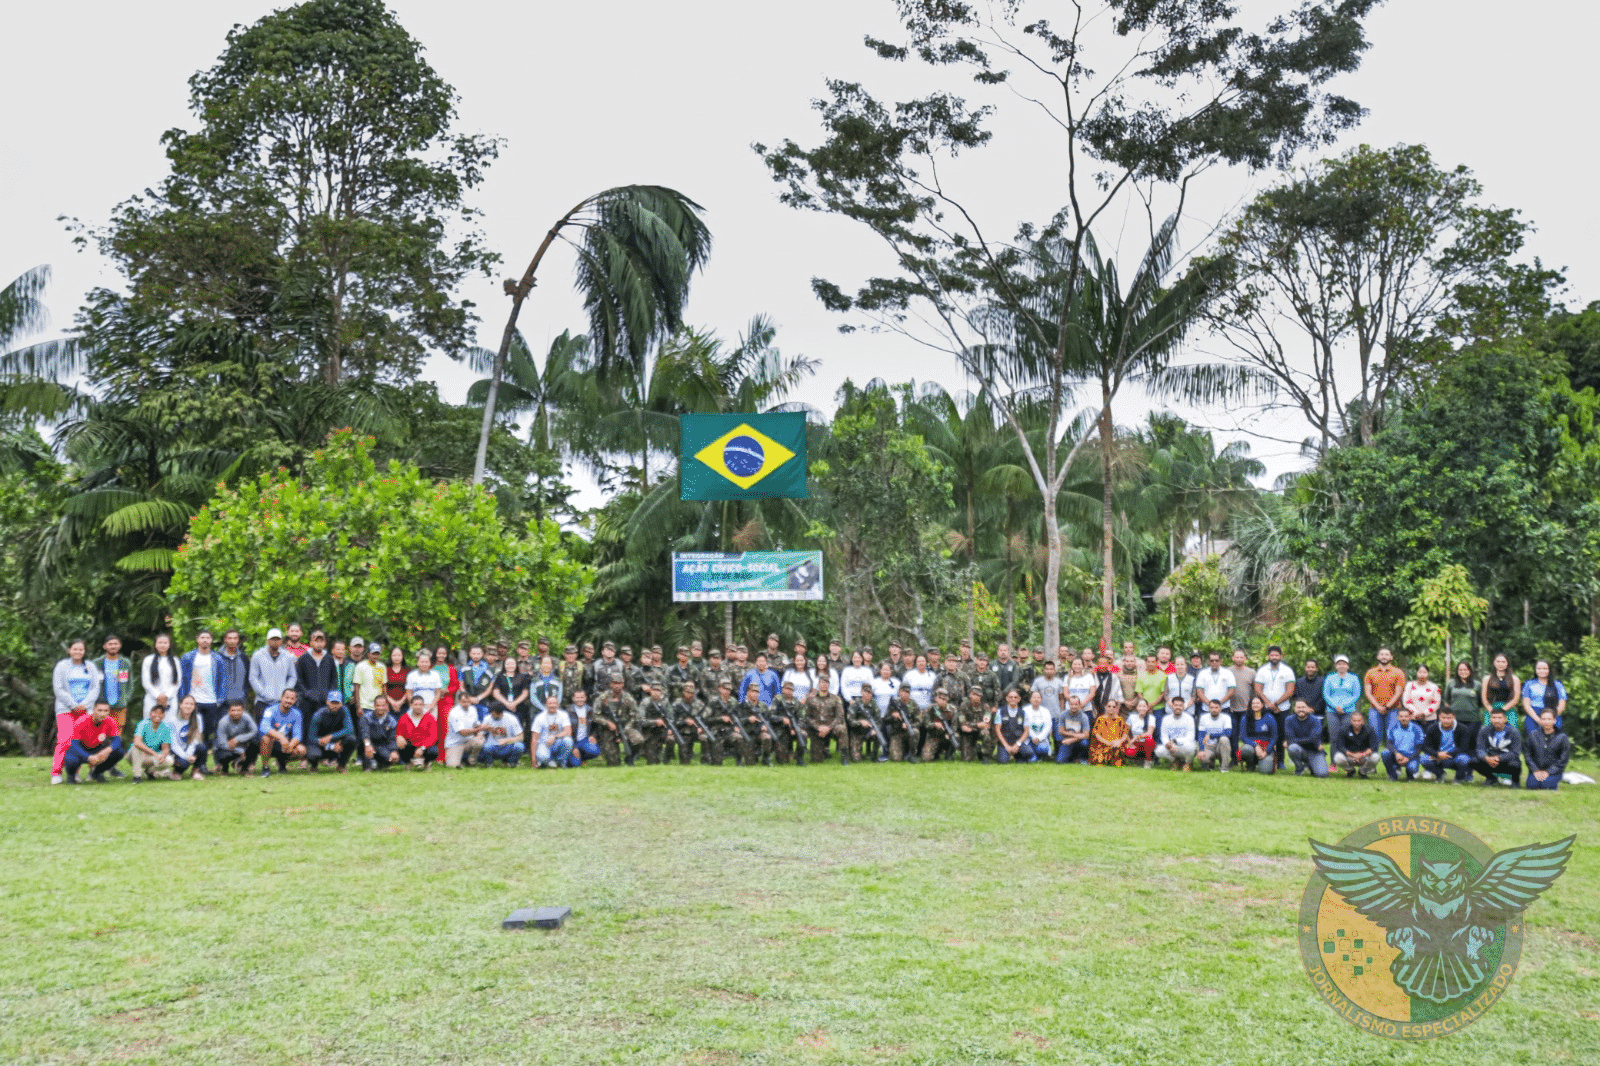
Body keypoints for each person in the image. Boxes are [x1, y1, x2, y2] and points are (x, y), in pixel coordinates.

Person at [51, 639, 103, 785]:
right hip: (66, 708)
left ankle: (74, 772)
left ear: (84, 651)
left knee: (80, 741)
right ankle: (56, 772)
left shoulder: (90, 666)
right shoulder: (62, 666)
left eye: (81, 649)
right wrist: (73, 704)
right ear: (69, 650)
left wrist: (85, 704)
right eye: (75, 649)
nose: (78, 652)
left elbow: (95, 688)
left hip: (85, 709)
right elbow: (58, 688)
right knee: (65, 740)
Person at [178, 631, 226, 750]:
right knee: (193, 729)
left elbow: (223, 680)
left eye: (208, 638)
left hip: (211, 700)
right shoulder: (188, 657)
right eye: (202, 637)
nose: (205, 640)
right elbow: (182, 678)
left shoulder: (218, 658)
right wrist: (182, 698)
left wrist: (220, 699)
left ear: (211, 640)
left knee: (208, 730)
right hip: (193, 699)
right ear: (197, 639)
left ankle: (202, 757)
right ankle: (194, 757)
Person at [62, 700, 125, 784]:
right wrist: (88, 757)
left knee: (119, 752)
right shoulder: (82, 721)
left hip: (97, 748)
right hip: (80, 748)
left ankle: (97, 773)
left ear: (109, 711)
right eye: (100, 710)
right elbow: (74, 744)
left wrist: (108, 750)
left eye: (106, 711)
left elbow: (117, 740)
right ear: (94, 709)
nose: (102, 714)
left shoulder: (110, 721)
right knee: (71, 757)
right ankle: (71, 777)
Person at [249, 627, 298, 719]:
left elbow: (293, 676)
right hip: (262, 701)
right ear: (268, 640)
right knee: (263, 731)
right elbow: (253, 677)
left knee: (282, 729)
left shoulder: (288, 656)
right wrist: (263, 693)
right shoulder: (258, 656)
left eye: (277, 639)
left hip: (283, 702)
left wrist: (286, 693)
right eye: (272, 639)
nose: (275, 641)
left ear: (281, 641)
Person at [257, 687, 306, 775]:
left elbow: (298, 735)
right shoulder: (270, 710)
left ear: (295, 701)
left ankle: (282, 763)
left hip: (284, 744)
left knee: (301, 750)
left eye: (292, 699)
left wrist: (290, 745)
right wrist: (281, 738)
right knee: (266, 738)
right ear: (281, 698)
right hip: (270, 743)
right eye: (287, 698)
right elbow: (264, 727)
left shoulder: (297, 714)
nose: (289, 701)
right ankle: (265, 767)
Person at [1421, 708, 1476, 785]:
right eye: (1443, 718)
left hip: (1455, 756)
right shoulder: (1432, 728)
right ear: (1439, 717)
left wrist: (1448, 754)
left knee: (1464, 759)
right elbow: (1425, 746)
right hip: (1438, 757)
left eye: (1449, 718)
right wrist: (1437, 754)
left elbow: (1464, 747)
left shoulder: (1463, 728)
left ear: (1454, 717)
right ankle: (1440, 775)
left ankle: (1459, 778)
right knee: (1424, 759)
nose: (1446, 720)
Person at [306, 690, 355, 772]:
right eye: (332, 702)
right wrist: (331, 746)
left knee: (351, 739)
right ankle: (314, 766)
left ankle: (341, 766)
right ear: (327, 701)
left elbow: (350, 729)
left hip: (337, 743)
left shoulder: (344, 710)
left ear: (341, 703)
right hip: (321, 743)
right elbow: (311, 738)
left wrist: (331, 737)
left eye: (337, 703)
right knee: (313, 755)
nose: (334, 705)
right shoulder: (318, 715)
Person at [1472, 708, 1522, 787]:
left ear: (1505, 719)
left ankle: (1515, 781)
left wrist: (1499, 758)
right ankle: (1491, 778)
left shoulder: (1514, 732)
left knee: (1515, 764)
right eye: (1494, 717)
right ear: (1490, 719)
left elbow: (1515, 753)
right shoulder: (1484, 730)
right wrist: (1486, 758)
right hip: (1489, 759)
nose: (1496, 720)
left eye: (1499, 718)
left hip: (1506, 760)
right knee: (1474, 761)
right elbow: (1480, 748)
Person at [803, 676, 847, 764]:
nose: (824, 685)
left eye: (826, 683)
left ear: (829, 685)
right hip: (816, 729)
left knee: (842, 729)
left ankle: (845, 756)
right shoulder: (811, 699)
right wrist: (818, 727)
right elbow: (806, 717)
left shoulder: (836, 698)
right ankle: (823, 751)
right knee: (817, 760)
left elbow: (840, 716)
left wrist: (828, 728)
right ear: (818, 684)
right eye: (822, 683)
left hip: (832, 727)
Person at [96, 634, 134, 736]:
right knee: (100, 732)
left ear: (120, 645)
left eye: (115, 644)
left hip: (119, 705)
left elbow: (128, 684)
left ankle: (114, 752)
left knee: (117, 733)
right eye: (110, 644)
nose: (113, 646)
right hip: (102, 704)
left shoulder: (124, 663)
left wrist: (126, 698)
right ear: (105, 646)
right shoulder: (98, 663)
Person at [129, 703, 178, 781]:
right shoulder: (143, 724)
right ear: (150, 713)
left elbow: (165, 747)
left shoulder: (166, 727)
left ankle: (149, 772)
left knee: (169, 761)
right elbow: (137, 742)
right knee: (136, 747)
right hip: (135, 755)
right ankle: (137, 776)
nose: (158, 715)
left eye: (161, 713)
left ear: (164, 715)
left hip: (150, 757)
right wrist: (155, 754)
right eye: (155, 712)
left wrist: (163, 755)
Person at [1524, 710, 1570, 791]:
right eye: (1544, 719)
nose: (1546, 722)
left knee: (1546, 785)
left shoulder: (1562, 737)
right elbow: (1527, 755)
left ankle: (1555, 781)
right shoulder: (1532, 735)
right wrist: (1535, 770)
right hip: (1536, 770)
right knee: (1532, 785)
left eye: (1549, 719)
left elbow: (1563, 759)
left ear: (1554, 720)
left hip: (1554, 771)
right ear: (1540, 720)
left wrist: (1548, 772)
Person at [1521, 660, 1567, 737]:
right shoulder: (1528, 684)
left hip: (1553, 715)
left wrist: (1550, 720)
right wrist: (1539, 720)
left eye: (1545, 668)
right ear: (1535, 670)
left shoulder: (1558, 685)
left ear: (1549, 670)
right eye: (1539, 668)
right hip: (1534, 715)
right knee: (1534, 741)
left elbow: (1562, 704)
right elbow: (1526, 705)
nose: (1542, 671)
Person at [1284, 698, 1328, 777]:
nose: (1301, 709)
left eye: (1303, 707)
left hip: (1314, 751)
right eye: (1298, 707)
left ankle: (1309, 765)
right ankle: (1299, 768)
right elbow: (1290, 739)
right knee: (1292, 748)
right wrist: (1292, 741)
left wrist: (1292, 741)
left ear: (1308, 708)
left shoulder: (1315, 720)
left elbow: (1313, 740)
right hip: (1299, 750)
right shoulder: (1289, 720)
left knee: (1322, 774)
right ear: (1294, 708)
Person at [212, 702, 259, 775]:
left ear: (242, 711)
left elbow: (254, 731)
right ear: (229, 711)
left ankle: (244, 768)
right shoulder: (223, 722)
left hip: (241, 743)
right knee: (222, 754)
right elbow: (221, 743)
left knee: (255, 742)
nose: (235, 713)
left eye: (238, 710)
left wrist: (237, 739)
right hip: (226, 747)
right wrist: (240, 751)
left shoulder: (246, 717)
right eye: (233, 710)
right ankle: (224, 768)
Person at [141, 634, 181, 721]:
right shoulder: (148, 660)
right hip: (152, 699)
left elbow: (177, 682)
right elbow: (146, 681)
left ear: (169, 644)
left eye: (165, 643)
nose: (162, 645)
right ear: (155, 644)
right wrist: (158, 696)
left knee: (169, 725)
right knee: (150, 725)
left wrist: (166, 696)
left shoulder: (175, 660)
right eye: (160, 643)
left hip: (170, 700)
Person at [444, 689, 487, 768]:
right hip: (455, 744)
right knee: (452, 766)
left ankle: (471, 762)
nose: (466, 704)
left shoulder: (473, 709)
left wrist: (480, 733)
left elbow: (476, 724)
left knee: (480, 740)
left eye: (468, 701)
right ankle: (459, 760)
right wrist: (477, 730)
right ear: (459, 701)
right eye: (464, 702)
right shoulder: (454, 713)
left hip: (468, 742)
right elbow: (462, 732)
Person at [1382, 706, 1426, 782]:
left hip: (1411, 756)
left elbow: (1420, 746)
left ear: (1410, 717)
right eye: (1401, 716)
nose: (1403, 718)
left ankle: (1410, 775)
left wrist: (1408, 758)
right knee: (1385, 753)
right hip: (1397, 755)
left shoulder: (1417, 728)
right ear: (1398, 717)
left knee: (1412, 768)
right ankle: (1393, 775)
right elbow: (1389, 743)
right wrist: (1396, 753)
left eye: (1406, 716)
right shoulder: (1393, 726)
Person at [1321, 655, 1361, 740]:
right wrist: (1335, 706)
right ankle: (1335, 753)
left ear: (1348, 666)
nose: (1341, 666)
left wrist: (1343, 706)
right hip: (1332, 710)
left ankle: (1348, 753)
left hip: (1348, 710)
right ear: (1336, 666)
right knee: (1334, 736)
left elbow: (1356, 695)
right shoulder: (1329, 678)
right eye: (1339, 664)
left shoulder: (1354, 678)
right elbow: (1326, 694)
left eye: (1344, 664)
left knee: (1348, 735)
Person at [395, 694, 439, 769]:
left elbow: (433, 736)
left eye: (420, 704)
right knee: (400, 744)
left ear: (423, 705)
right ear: (411, 705)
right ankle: (408, 763)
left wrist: (422, 748)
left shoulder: (430, 717)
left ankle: (426, 763)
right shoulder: (404, 717)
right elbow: (399, 733)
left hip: (425, 747)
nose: (418, 707)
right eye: (415, 704)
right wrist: (399, 738)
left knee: (434, 751)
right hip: (410, 746)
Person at [530, 694, 574, 769]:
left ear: (558, 705)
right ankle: (549, 761)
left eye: (554, 703)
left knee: (568, 741)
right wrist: (533, 760)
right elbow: (534, 739)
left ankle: (561, 761)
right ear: (546, 705)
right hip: (544, 744)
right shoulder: (539, 718)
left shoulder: (563, 715)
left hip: (557, 743)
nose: (552, 705)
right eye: (550, 703)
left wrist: (554, 737)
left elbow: (568, 731)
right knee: (543, 757)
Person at [490, 655, 530, 736]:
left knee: (518, 728)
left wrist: (514, 703)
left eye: (512, 664)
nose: (510, 666)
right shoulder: (500, 677)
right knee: (503, 729)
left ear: (516, 665)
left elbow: (525, 693)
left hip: (518, 707)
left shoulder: (522, 677)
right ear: (504, 665)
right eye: (508, 664)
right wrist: (507, 704)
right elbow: (495, 692)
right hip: (503, 707)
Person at [1332, 711, 1380, 779]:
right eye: (1354, 720)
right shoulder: (1344, 730)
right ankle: (1351, 770)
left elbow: (1373, 747)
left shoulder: (1369, 730)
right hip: (1349, 756)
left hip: (1364, 757)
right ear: (1351, 721)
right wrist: (1353, 755)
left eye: (1359, 721)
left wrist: (1362, 755)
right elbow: (1340, 746)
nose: (1357, 723)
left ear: (1363, 721)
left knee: (1376, 757)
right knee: (1337, 757)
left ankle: (1362, 772)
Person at [1236, 696, 1277, 774]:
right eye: (1253, 703)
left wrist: (1266, 752)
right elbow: (1243, 737)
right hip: (1251, 746)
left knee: (1265, 771)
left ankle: (1261, 761)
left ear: (1262, 705)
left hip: (1266, 747)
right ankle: (1250, 765)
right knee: (1246, 749)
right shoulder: (1245, 718)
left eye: (1258, 703)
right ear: (1250, 705)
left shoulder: (1269, 717)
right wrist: (1256, 746)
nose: (1255, 705)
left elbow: (1274, 737)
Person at [1480, 653, 1521, 731]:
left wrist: (1503, 710)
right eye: (1498, 661)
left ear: (1507, 663)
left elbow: (1516, 699)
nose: (1500, 664)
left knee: (1511, 732)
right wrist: (1492, 710)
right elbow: (1484, 698)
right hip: (1491, 709)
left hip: (1509, 709)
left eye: (1503, 662)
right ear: (1494, 663)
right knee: (1487, 732)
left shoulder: (1515, 679)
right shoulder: (1487, 679)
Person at [359, 694, 401, 771]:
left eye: (383, 705)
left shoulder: (392, 721)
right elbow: (364, 733)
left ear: (386, 706)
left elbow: (392, 739)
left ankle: (380, 764)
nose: (380, 708)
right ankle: (367, 766)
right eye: (378, 705)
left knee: (392, 758)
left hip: (382, 746)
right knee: (363, 744)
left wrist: (393, 751)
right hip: (368, 743)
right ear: (374, 706)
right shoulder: (366, 717)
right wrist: (368, 745)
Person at [478, 701, 526, 767]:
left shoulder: (512, 719)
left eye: (494, 714)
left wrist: (507, 740)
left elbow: (521, 737)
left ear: (500, 713)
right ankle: (489, 764)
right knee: (486, 747)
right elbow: (481, 734)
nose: (492, 715)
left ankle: (511, 763)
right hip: (493, 745)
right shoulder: (487, 718)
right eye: (491, 713)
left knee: (519, 746)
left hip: (508, 745)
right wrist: (481, 733)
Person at [1156, 696, 1197, 770]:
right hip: (1171, 746)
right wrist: (1167, 744)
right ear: (1172, 706)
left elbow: (1191, 736)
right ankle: (1175, 761)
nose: (1178, 707)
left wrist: (1175, 741)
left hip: (1183, 745)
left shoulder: (1189, 718)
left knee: (1191, 747)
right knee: (1158, 750)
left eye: (1180, 705)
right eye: (1176, 705)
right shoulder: (1166, 719)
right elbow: (1164, 735)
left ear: (1183, 706)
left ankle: (1187, 763)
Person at [169, 696, 206, 779]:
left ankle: (195, 772)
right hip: (177, 750)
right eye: (186, 703)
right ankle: (176, 772)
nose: (189, 706)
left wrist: (189, 754)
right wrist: (186, 756)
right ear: (180, 705)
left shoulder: (198, 718)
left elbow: (196, 740)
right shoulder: (172, 720)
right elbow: (173, 744)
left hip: (190, 749)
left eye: (191, 704)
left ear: (194, 706)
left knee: (202, 747)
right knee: (184, 763)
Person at [1088, 696, 1130, 766]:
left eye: (1113, 707)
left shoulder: (1120, 719)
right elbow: (1097, 735)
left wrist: (1119, 741)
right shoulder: (1100, 719)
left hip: (1115, 746)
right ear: (1105, 707)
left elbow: (1125, 733)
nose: (1111, 708)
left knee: (1117, 761)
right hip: (1103, 746)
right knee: (1100, 761)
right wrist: (1108, 743)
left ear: (1116, 708)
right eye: (1109, 706)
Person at [1194, 698, 1234, 772]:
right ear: (1209, 708)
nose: (1214, 710)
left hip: (1220, 745)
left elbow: (1228, 733)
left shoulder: (1226, 717)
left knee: (1224, 739)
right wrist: (1201, 750)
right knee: (1202, 758)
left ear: (1220, 709)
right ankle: (1210, 763)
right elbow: (1200, 735)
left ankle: (1224, 767)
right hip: (1208, 745)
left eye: (1216, 707)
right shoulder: (1203, 717)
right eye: (1212, 707)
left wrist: (1211, 735)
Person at [992, 688, 1030, 764]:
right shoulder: (1000, 711)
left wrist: (1017, 745)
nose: (1013, 699)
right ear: (1007, 698)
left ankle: (1016, 755)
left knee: (1028, 753)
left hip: (1017, 742)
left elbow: (1026, 731)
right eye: (1010, 697)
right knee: (1003, 761)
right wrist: (1006, 746)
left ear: (1019, 699)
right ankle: (1003, 753)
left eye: (1015, 697)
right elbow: (997, 730)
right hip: (1005, 742)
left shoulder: (1023, 713)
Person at [884, 684, 921, 762]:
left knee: (915, 732)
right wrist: (893, 716)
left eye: (907, 692)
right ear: (899, 692)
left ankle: (912, 755)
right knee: (896, 759)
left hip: (909, 731)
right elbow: (886, 719)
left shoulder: (913, 704)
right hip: (897, 732)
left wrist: (909, 725)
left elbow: (919, 721)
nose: (905, 694)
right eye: (902, 691)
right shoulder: (894, 703)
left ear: (909, 693)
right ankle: (903, 751)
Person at [217, 629, 250, 712]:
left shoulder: (243, 657)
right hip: (221, 703)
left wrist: (244, 693)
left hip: (240, 701)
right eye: (230, 638)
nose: (232, 641)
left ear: (238, 640)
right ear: (225, 639)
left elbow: (247, 678)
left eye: (235, 638)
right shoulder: (217, 658)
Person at [1401, 664, 1442, 730]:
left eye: (1424, 672)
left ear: (1428, 673)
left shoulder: (1434, 687)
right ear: (1416, 673)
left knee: (1429, 739)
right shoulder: (1409, 685)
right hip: (1413, 718)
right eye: (1420, 672)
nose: (1422, 674)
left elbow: (1436, 703)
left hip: (1430, 719)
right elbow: (1406, 701)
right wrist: (1416, 713)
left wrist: (1424, 714)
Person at [1051, 693, 1088, 764]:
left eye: (1076, 704)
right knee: (1060, 761)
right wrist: (1071, 736)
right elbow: (1061, 731)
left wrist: (1072, 739)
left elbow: (1086, 734)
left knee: (1085, 743)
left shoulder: (1084, 717)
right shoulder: (1063, 715)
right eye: (1071, 704)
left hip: (1078, 740)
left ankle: (1081, 758)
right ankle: (1072, 758)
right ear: (1068, 704)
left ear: (1079, 705)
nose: (1073, 706)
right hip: (1067, 738)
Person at [1124, 697, 1157, 768]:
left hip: (1146, 742)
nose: (1142, 708)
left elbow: (1149, 733)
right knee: (1129, 752)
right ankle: (1137, 760)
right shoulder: (1132, 717)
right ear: (1136, 708)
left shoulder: (1151, 718)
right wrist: (1130, 742)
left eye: (1144, 706)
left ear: (1147, 708)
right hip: (1135, 743)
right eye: (1140, 706)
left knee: (1149, 739)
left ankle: (1147, 762)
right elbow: (1125, 731)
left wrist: (1136, 737)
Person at [351, 641, 384, 714]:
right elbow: (357, 687)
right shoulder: (360, 666)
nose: (375, 656)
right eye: (373, 654)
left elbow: (383, 687)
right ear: (368, 654)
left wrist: (385, 704)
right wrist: (358, 706)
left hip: (379, 706)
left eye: (377, 654)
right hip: (364, 706)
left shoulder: (382, 667)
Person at [1230, 649, 1257, 722]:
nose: (1239, 659)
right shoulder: (1227, 672)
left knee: (1245, 732)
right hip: (1231, 709)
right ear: (1233, 658)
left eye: (1241, 657)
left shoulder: (1251, 672)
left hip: (1247, 709)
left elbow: (1255, 690)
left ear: (1245, 658)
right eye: (1237, 657)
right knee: (1233, 733)